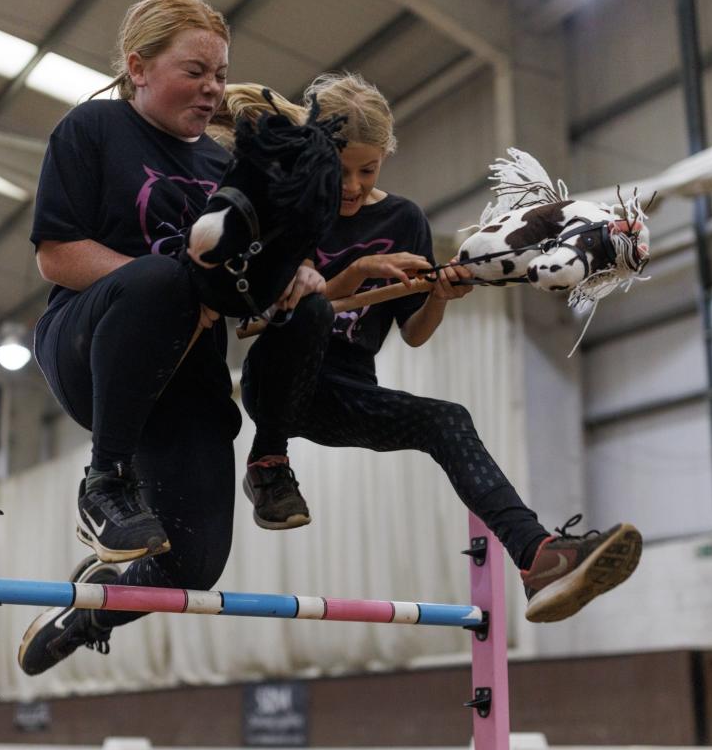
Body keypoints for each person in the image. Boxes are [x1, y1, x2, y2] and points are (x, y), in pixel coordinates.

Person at [239, 72, 642, 622]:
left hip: (343, 395)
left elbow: (413, 332)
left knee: (448, 419)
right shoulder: (289, 206)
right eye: (339, 170)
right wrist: (357, 271)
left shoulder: (403, 219)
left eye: (368, 169)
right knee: (308, 310)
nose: (353, 186)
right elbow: (276, 313)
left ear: (384, 158)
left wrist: (442, 295)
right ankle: (268, 461)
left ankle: (537, 556)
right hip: (273, 381)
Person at [17, 0, 331, 676]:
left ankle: (88, 609)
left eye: (219, 73)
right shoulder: (92, 129)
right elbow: (57, 254)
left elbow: (240, 291)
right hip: (92, 345)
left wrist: (289, 281)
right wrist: (183, 292)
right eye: (196, 71)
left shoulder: (224, 167)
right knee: (163, 278)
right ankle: (104, 481)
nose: (213, 88)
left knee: (192, 570)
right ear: (139, 67)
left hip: (186, 379)